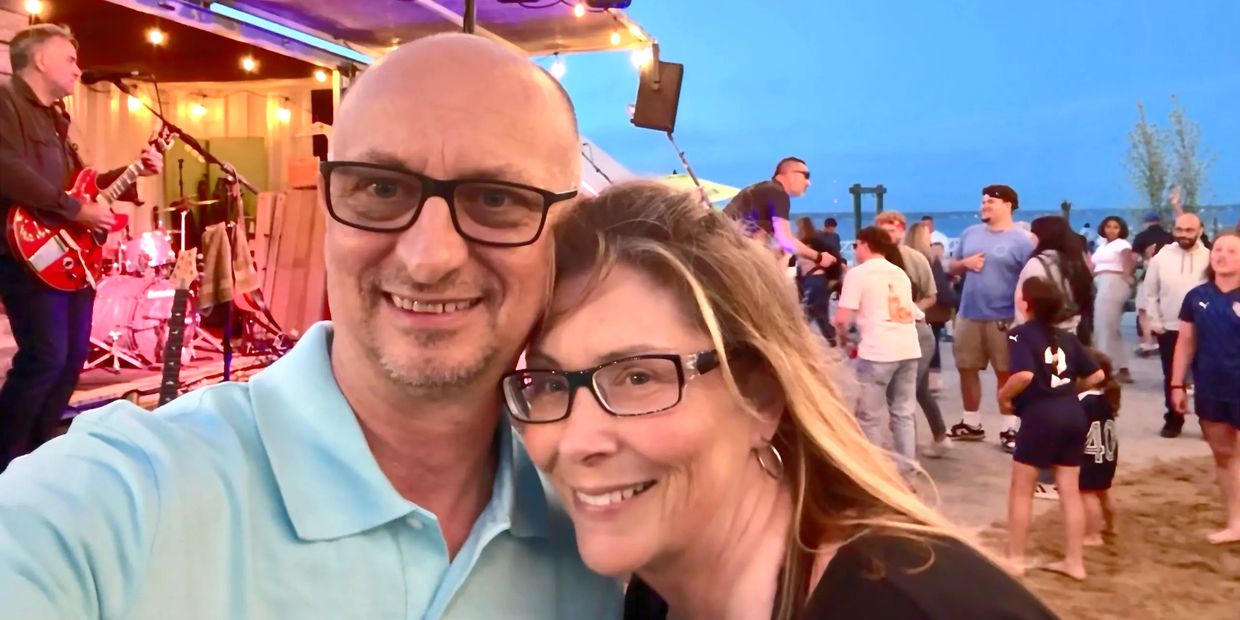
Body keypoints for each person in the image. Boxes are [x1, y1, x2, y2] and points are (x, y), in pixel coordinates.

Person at [0, 34, 622, 618]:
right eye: (380, 187)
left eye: (496, 199)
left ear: (566, 235)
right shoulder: (113, 501)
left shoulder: (607, 533)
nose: (428, 257)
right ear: (330, 206)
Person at [505, 181, 1056, 619]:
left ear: (761, 398)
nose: (576, 441)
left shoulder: (914, 606)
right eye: (551, 383)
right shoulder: (661, 589)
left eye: (638, 378)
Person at [0, 24, 164, 472]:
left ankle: (36, 458)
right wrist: (74, 210)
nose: (78, 68)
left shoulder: (59, 118)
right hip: (25, 252)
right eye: (69, 59)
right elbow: (8, 168)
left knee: (71, 357)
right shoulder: (5, 103)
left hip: (67, 255)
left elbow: (83, 187)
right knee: (44, 356)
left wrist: (133, 172)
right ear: (40, 60)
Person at [999, 277, 1105, 581]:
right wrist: (1071, 389)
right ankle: (1075, 562)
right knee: (1069, 490)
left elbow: (1023, 376)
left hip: (1041, 415)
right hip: (1073, 414)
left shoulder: (1019, 335)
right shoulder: (1066, 337)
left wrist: (1003, 396)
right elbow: (1097, 374)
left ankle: (1015, 559)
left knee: (1021, 490)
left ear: (1026, 303)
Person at [946, 185, 1034, 447]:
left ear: (1008, 205)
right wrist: (964, 264)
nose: (985, 205)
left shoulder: (1022, 240)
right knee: (966, 368)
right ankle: (971, 422)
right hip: (968, 314)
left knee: (1006, 373)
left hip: (1004, 318)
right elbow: (950, 267)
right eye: (983, 201)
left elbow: (1030, 278)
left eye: (991, 201)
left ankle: (1010, 428)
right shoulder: (970, 233)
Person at [836, 226, 923, 480]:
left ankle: (875, 476)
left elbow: (842, 318)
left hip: (877, 351)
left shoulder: (858, 274)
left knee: (869, 416)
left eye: (855, 246)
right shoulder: (900, 274)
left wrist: (845, 340)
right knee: (904, 413)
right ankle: (908, 475)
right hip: (908, 348)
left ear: (863, 244)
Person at [1170, 231, 1240, 545]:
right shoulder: (1197, 297)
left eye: (1232, 251)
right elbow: (1185, 343)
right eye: (1219, 249)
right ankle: (1235, 522)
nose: (1222, 255)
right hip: (1212, 387)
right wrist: (1177, 384)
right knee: (1224, 455)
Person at [877, 212, 951, 457]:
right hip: (887, 333)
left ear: (901, 230)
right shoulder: (870, 261)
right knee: (914, 390)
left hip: (915, 333)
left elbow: (932, 294)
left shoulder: (914, 259)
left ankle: (907, 453)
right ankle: (937, 437)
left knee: (902, 394)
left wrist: (911, 312)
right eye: (882, 231)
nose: (888, 236)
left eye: (892, 230)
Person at [1143, 213, 1208, 438]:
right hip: (1170, 328)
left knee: (1205, 377)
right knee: (1172, 376)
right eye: (1179, 230)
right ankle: (1173, 419)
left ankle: (1207, 421)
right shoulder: (1162, 257)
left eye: (1189, 230)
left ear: (1200, 230)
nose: (1183, 235)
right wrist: (1155, 321)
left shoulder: (1209, 257)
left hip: (1204, 329)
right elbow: (1149, 292)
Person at [723, 157, 834, 270]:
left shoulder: (761, 190)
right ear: (790, 174)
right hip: (732, 260)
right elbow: (785, 240)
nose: (808, 183)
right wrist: (819, 257)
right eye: (806, 175)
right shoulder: (778, 193)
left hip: (723, 254)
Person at [1079, 349, 1121, 547]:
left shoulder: (1082, 404)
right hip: (1108, 456)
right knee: (1103, 492)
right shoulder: (1107, 400)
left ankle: (1093, 535)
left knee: (1087, 495)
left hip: (1089, 457)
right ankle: (1112, 526)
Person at [1091, 215, 1136, 383]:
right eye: (1108, 226)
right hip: (1101, 282)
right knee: (1111, 326)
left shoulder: (1122, 244)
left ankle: (1104, 367)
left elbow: (1127, 262)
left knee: (1104, 326)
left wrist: (1127, 277)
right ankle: (1121, 367)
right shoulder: (1102, 245)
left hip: (1113, 281)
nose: (1111, 229)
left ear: (1121, 229)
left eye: (1115, 227)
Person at [794, 216, 842, 344]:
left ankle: (798, 338)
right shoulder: (805, 243)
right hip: (812, 279)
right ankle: (831, 339)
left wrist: (834, 276)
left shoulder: (814, 243)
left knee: (811, 311)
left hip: (815, 279)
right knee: (819, 313)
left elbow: (834, 255)